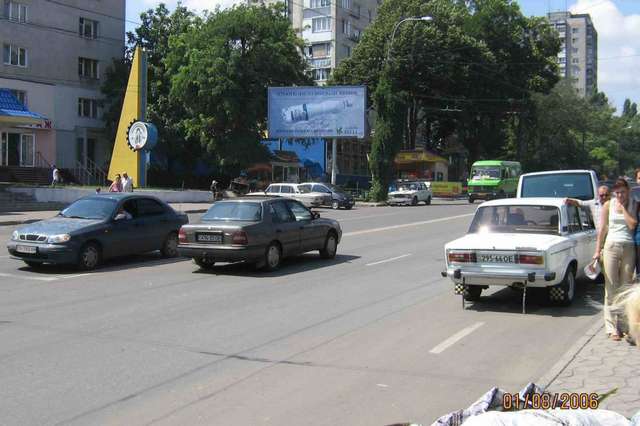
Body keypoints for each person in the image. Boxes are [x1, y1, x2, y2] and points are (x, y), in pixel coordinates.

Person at [594, 178, 638, 341]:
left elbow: (632, 225)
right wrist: (597, 250)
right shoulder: (608, 205)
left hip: (628, 247)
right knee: (611, 287)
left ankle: (625, 326)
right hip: (611, 246)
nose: (620, 195)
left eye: (623, 192)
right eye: (617, 193)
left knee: (626, 288)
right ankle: (612, 328)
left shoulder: (633, 204)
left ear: (628, 191)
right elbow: (603, 228)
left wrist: (624, 208)